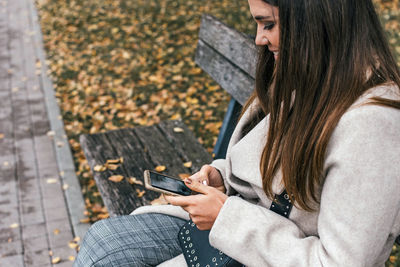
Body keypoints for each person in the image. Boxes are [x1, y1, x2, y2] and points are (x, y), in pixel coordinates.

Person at [74, 0, 400, 266]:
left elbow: (340, 262)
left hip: (256, 242)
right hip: (243, 228)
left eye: (268, 24)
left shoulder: (373, 123)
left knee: (106, 252)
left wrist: (227, 217)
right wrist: (222, 174)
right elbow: (281, 167)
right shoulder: (319, 76)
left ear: (313, 20)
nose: (259, 38)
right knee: (105, 244)